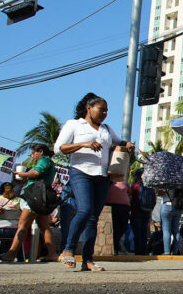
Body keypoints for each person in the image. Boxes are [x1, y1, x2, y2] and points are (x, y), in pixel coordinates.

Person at [54, 93, 135, 272]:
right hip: (81, 172)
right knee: (85, 210)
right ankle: (68, 249)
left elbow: (117, 141)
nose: (105, 113)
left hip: (102, 176)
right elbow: (59, 148)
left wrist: (127, 144)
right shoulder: (74, 125)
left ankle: (88, 260)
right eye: (101, 109)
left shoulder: (106, 129)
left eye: (107, 110)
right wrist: (84, 144)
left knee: (93, 218)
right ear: (89, 108)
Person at [105, 171, 132, 256]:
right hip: (111, 206)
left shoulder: (124, 181)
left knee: (123, 227)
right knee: (114, 228)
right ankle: (115, 248)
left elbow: (129, 192)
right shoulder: (108, 181)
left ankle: (116, 245)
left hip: (124, 207)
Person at [129, 169, 153, 255]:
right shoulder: (149, 186)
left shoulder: (135, 186)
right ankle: (144, 252)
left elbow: (130, 199)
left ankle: (138, 252)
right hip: (147, 212)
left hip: (136, 212)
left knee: (137, 233)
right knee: (144, 233)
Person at [157, 188, 183, 255]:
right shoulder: (180, 182)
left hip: (167, 205)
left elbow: (161, 193)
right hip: (178, 207)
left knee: (166, 230)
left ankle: (167, 252)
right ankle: (175, 251)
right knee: (176, 231)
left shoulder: (167, 181)